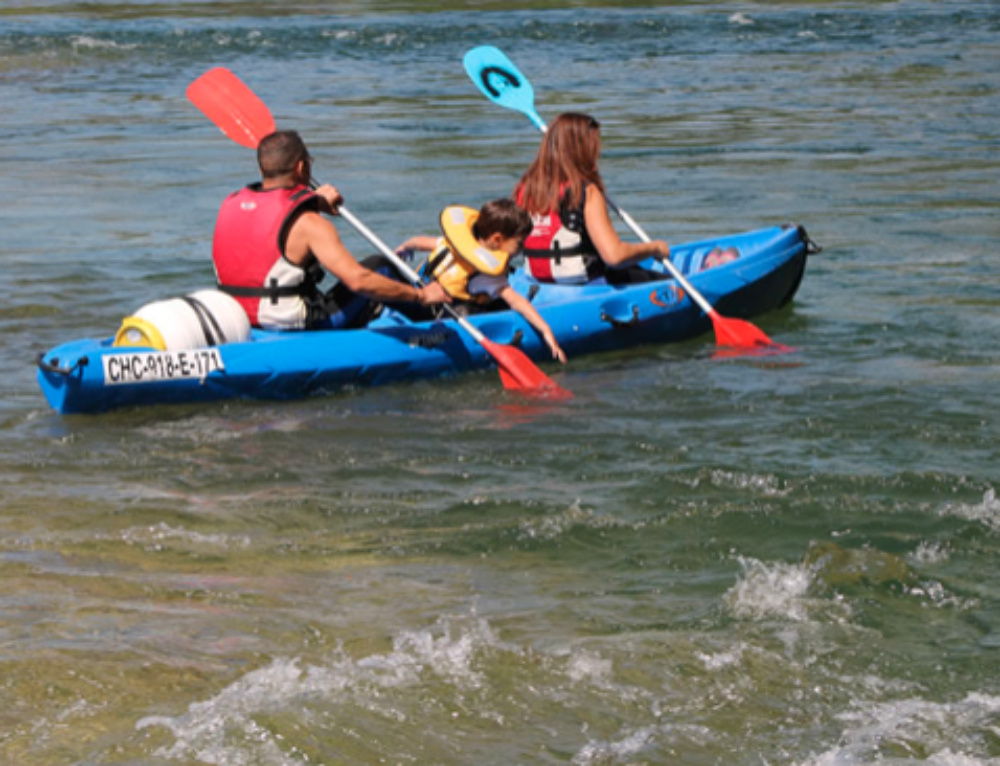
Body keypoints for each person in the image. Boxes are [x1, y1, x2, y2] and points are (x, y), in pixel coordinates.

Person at [212, 130, 448, 330]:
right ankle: (441, 323)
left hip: (238, 320)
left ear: (262, 169)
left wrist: (312, 202)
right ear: (302, 167)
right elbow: (358, 281)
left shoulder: (229, 204)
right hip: (296, 325)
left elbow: (269, 226)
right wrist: (421, 295)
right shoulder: (310, 223)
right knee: (380, 266)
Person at [397, 198, 567, 363]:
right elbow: (517, 301)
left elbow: (418, 242)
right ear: (497, 239)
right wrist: (546, 330)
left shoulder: (454, 243)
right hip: (445, 321)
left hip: (420, 302)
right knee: (500, 305)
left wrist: (404, 248)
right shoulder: (489, 275)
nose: (522, 250)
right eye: (519, 244)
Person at [515, 112, 671, 286]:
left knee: (635, 270)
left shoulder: (526, 188)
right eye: (594, 144)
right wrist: (654, 247)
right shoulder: (586, 190)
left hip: (539, 281)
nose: (598, 151)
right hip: (585, 280)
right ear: (581, 149)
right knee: (667, 283)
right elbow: (614, 256)